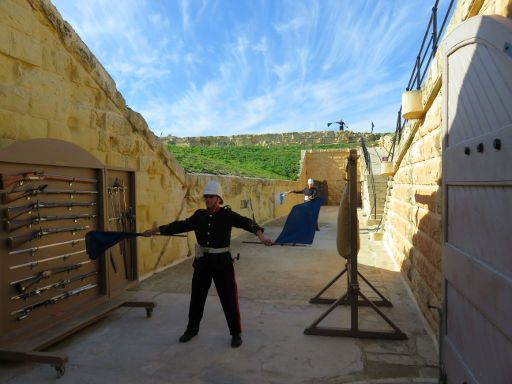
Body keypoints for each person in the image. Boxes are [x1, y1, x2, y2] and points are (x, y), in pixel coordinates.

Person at [143, 180, 272, 348]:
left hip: (222, 263)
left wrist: (262, 237)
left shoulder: (227, 215)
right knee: (197, 298)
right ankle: (191, 329)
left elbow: (249, 223)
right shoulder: (199, 216)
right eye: (206, 197)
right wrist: (155, 230)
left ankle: (235, 333)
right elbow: (180, 226)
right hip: (202, 263)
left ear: (219, 199)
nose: (208, 200)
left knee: (229, 299)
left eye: (211, 197)